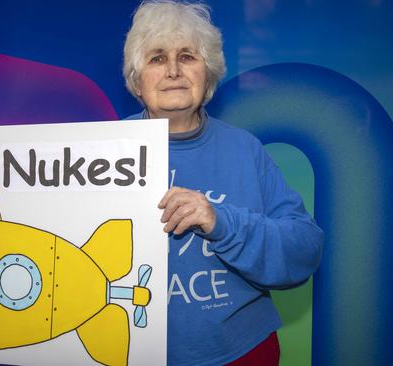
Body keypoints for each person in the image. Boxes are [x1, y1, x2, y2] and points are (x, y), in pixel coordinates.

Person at [122, 1, 324, 365]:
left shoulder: (245, 149)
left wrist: (221, 221)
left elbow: (305, 250)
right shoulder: (101, 149)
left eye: (187, 56)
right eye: (156, 58)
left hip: (240, 351)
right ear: (137, 82)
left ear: (209, 74)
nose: (172, 71)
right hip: (126, 352)